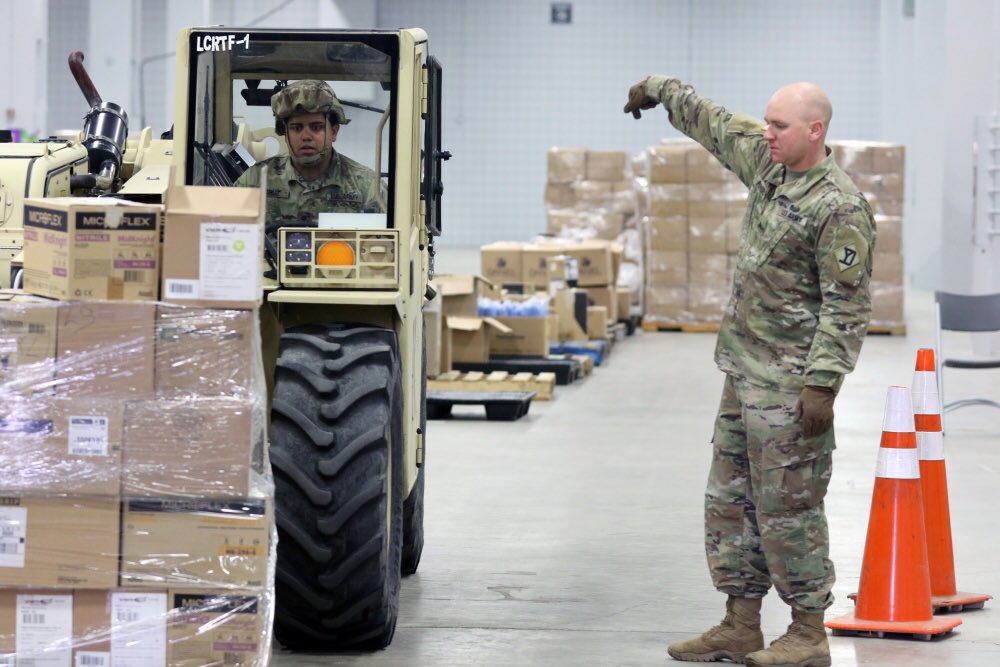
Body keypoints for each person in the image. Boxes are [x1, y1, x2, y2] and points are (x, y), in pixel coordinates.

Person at [625, 77, 875, 667]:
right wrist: (658, 89)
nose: (767, 134)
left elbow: (848, 305)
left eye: (780, 126)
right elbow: (713, 121)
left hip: (790, 389)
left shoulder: (838, 206)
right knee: (731, 502)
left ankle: (808, 633)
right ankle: (741, 625)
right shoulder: (768, 165)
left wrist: (823, 384)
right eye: (767, 123)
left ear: (815, 130)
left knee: (789, 508)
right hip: (742, 374)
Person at [236, 79, 386, 401]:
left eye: (316, 127)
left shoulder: (365, 186)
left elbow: (385, 250)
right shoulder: (255, 181)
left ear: (334, 131)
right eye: (297, 127)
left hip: (340, 308)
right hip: (269, 308)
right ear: (284, 133)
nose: (307, 136)